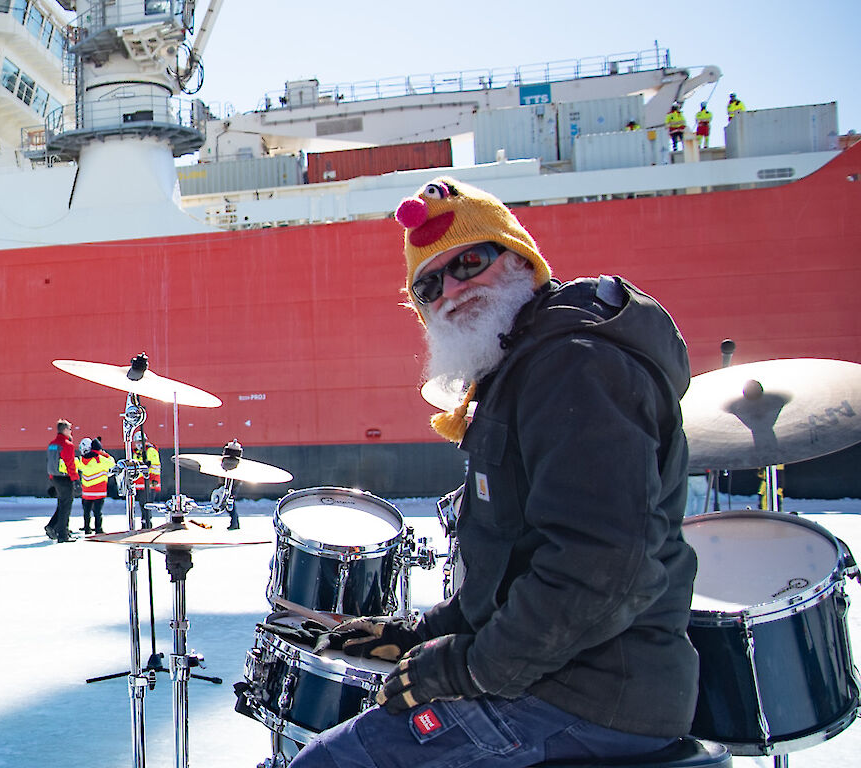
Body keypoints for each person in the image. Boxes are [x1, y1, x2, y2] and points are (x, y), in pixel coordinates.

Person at [293, 177, 697, 767]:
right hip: (555, 677)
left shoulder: (573, 366)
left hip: (590, 696)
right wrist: (421, 635)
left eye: (470, 262)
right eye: (429, 285)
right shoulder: (523, 372)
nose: (452, 291)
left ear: (520, 259)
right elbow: (511, 570)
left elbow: (601, 568)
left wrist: (462, 666)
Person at [44, 420, 79, 542]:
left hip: (55, 478)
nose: (71, 432)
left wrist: (51, 478)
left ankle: (52, 526)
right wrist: (75, 479)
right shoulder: (67, 445)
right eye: (69, 429)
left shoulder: (52, 444)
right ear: (64, 430)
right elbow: (70, 463)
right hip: (65, 478)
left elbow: (50, 461)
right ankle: (63, 534)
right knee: (66, 506)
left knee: (62, 504)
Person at [77, 438, 114, 535]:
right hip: (99, 492)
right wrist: (104, 454)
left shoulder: (81, 460)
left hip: (86, 492)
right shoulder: (100, 460)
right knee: (98, 512)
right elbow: (112, 463)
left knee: (86, 512)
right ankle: (98, 529)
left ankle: (87, 528)